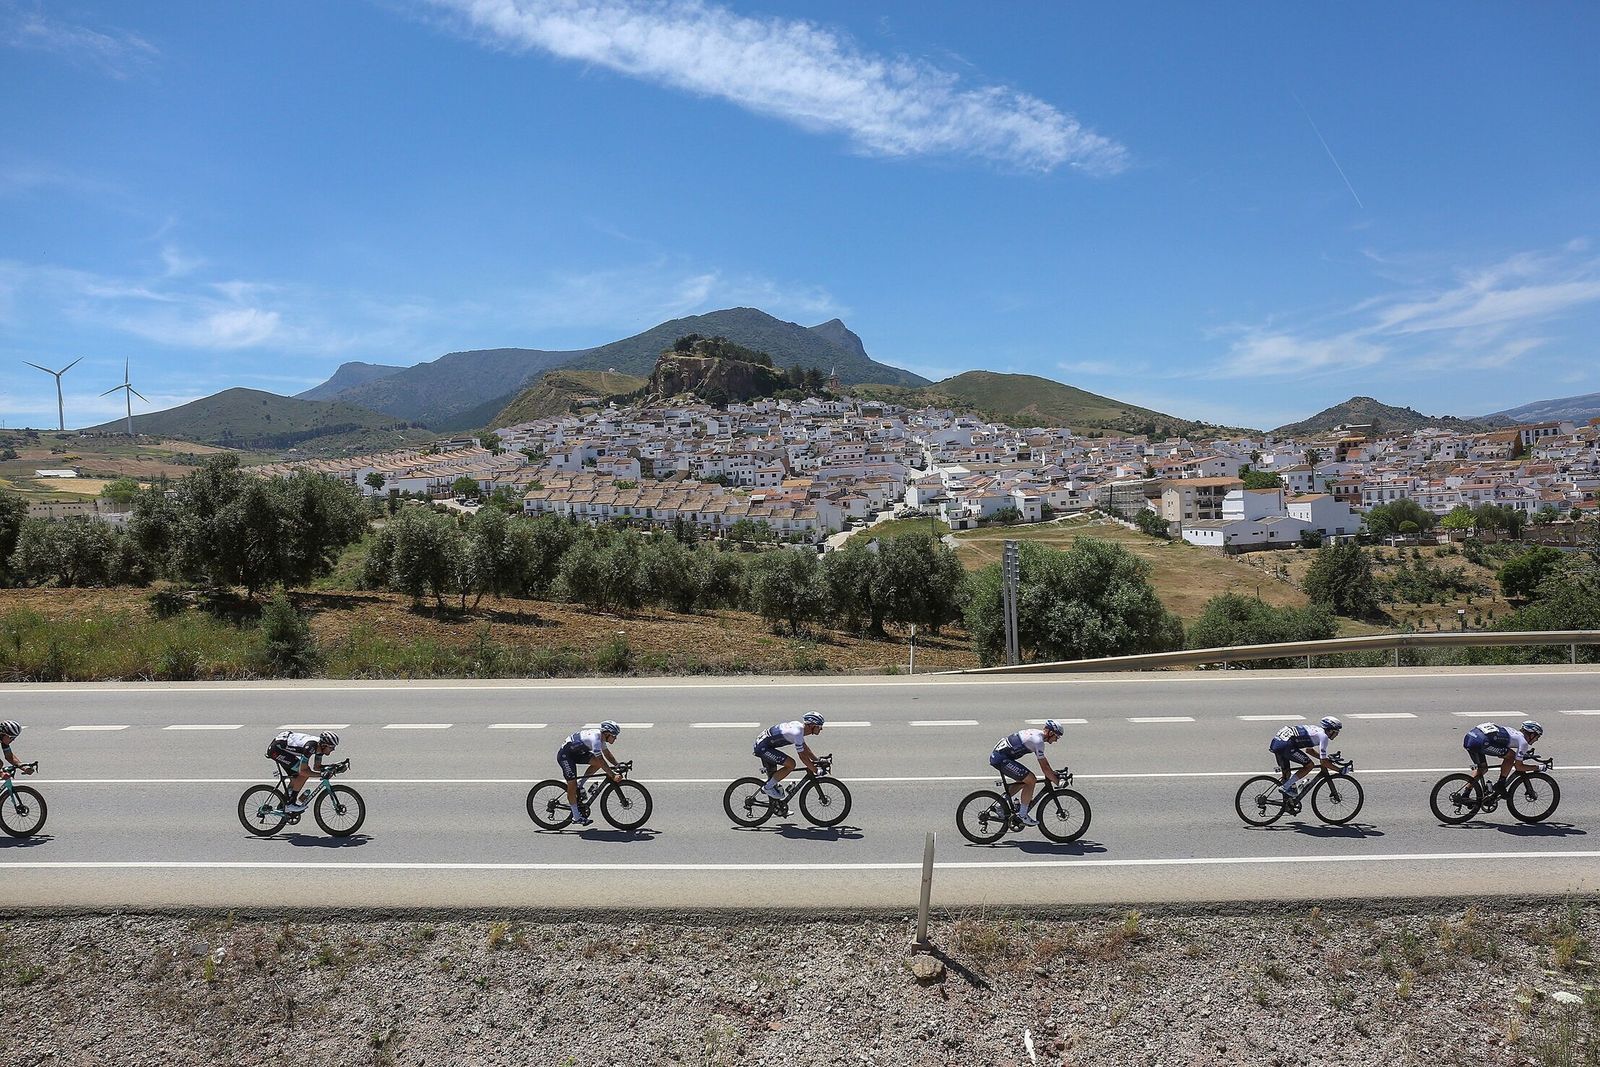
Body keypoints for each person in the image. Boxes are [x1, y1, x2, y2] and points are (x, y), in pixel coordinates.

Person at [989, 720, 1065, 826]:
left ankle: (999, 805)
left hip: (1001, 756)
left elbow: (1046, 767)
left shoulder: (1036, 734)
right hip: (1001, 759)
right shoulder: (1038, 741)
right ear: (1051, 733)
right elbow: (1045, 768)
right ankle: (1022, 815)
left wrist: (1052, 774)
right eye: (1057, 736)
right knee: (1031, 780)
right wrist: (1058, 782)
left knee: (1024, 780)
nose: (1056, 740)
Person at [557, 720, 622, 825]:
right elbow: (601, 760)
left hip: (577, 752)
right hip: (566, 756)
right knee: (572, 786)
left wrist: (617, 765)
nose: (615, 738)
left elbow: (607, 754)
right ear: (607, 733)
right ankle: (576, 817)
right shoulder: (596, 739)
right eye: (614, 736)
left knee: (597, 763)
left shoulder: (601, 738)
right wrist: (613, 775)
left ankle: (580, 784)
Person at [266, 730, 341, 813]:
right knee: (303, 775)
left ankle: (283, 804)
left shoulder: (320, 748)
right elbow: (303, 772)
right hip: (276, 750)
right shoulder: (310, 747)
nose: (333, 749)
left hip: (282, 745)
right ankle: (290, 804)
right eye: (331, 747)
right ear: (324, 745)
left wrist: (334, 767)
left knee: (296, 779)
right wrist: (322, 774)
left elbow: (317, 767)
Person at [753, 713, 824, 800]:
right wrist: (816, 770)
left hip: (766, 745)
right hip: (763, 748)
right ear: (812, 725)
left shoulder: (799, 728)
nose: (821, 729)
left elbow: (805, 749)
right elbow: (803, 757)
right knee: (791, 764)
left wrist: (817, 761)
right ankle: (767, 788)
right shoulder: (797, 733)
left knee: (775, 783)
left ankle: (778, 807)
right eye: (819, 726)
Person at [1269, 716, 1343, 799]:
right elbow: (1323, 763)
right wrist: (1340, 770)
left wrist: (1325, 759)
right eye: (1336, 731)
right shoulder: (1323, 737)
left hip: (1277, 743)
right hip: (1286, 745)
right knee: (1309, 765)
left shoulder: (1315, 730)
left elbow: (1309, 751)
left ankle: (1287, 803)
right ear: (1330, 730)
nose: (1337, 734)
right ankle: (1285, 787)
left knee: (1287, 775)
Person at [1463, 720, 1544, 795]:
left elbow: (1500, 748)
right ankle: (1500, 784)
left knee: (1482, 769)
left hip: (1470, 737)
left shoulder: (1512, 731)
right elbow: (1518, 767)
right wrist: (1539, 767)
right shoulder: (1523, 743)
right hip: (1482, 741)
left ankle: (1465, 794)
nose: (1536, 740)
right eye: (1537, 737)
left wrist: (1519, 755)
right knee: (1511, 757)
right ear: (1532, 734)